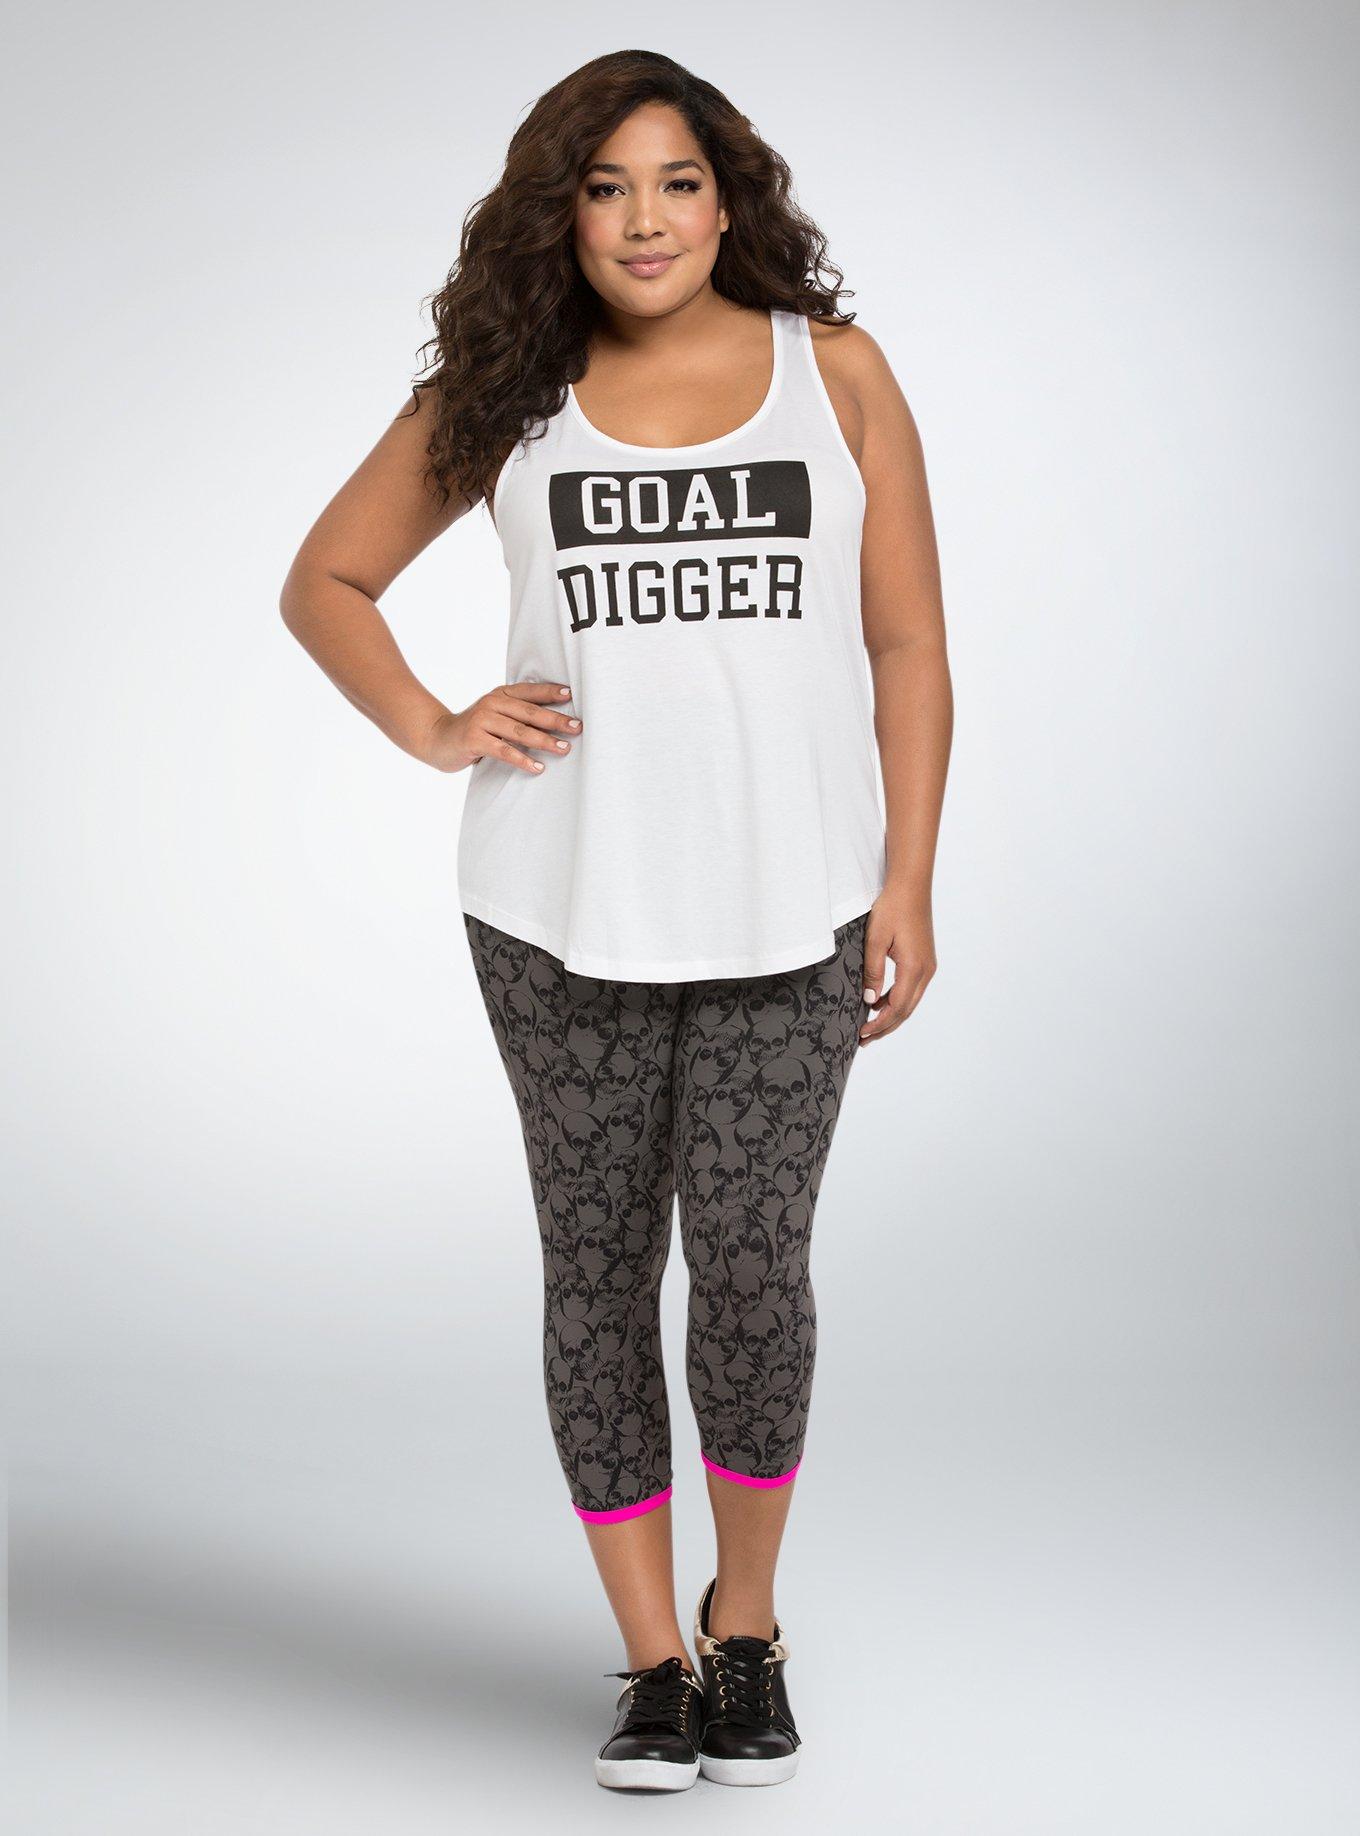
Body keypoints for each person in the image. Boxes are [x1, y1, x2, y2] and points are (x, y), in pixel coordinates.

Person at [280, 48, 951, 1793]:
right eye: (604, 188)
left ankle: (747, 1630)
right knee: (595, 1277)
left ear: (729, 201)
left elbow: (905, 641)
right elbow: (325, 580)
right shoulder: (511, 388)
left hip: (793, 912)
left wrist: (907, 875)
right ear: (560, 214)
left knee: (751, 1269)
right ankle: (654, 1663)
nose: (643, 220)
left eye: (675, 182)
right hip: (555, 913)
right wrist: (439, 724)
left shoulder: (834, 373)